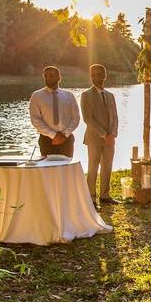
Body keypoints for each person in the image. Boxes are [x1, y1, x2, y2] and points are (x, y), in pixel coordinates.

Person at [80, 64, 119, 205]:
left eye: (101, 74)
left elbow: (115, 117)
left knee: (107, 168)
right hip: (94, 139)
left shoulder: (110, 95)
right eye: (95, 74)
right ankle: (90, 198)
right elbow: (87, 119)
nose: (98, 77)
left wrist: (112, 134)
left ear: (105, 76)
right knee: (93, 168)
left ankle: (105, 196)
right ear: (91, 76)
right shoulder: (86, 95)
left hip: (110, 139)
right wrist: (104, 134)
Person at [29, 66, 80, 157]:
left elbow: (76, 118)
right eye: (46, 76)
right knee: (48, 170)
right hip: (47, 140)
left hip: (66, 139)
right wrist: (53, 135)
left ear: (59, 78)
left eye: (51, 75)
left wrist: (64, 135)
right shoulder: (36, 96)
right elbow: (35, 119)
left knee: (66, 169)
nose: (48, 78)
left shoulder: (69, 96)